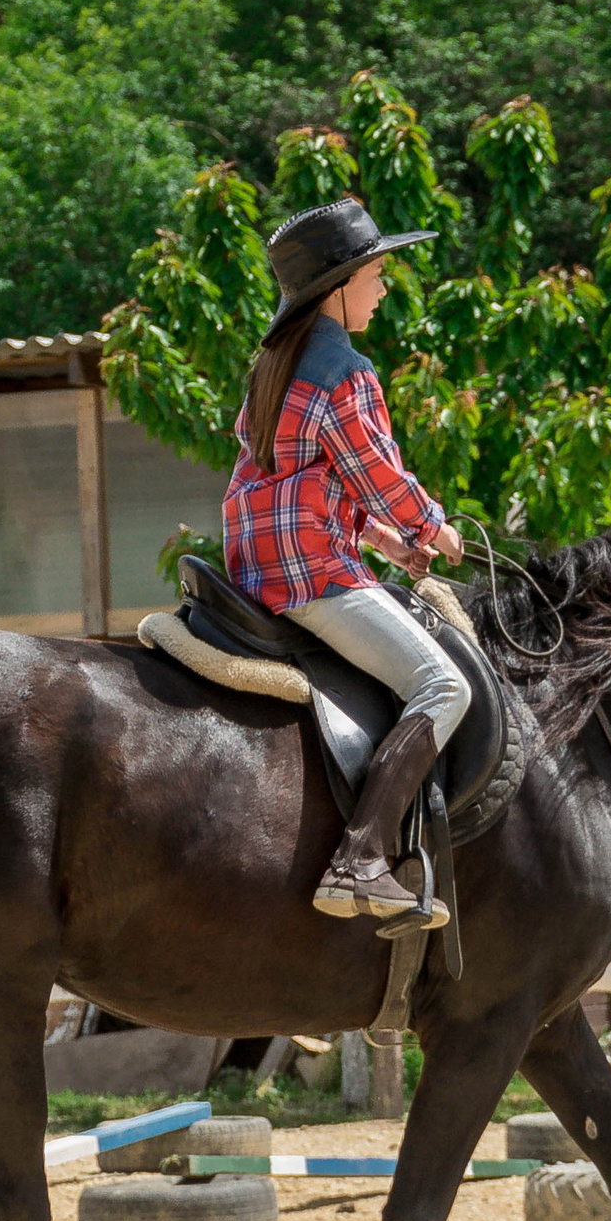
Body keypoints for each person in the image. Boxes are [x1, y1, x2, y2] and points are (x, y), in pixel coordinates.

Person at [223, 197, 469, 930]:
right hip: (310, 578)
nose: (385, 289)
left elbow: (304, 481)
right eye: (379, 275)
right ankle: (361, 859)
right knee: (444, 685)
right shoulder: (346, 371)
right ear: (339, 288)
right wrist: (434, 527)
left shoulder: (275, 364)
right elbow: (381, 473)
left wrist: (388, 544)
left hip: (257, 566)